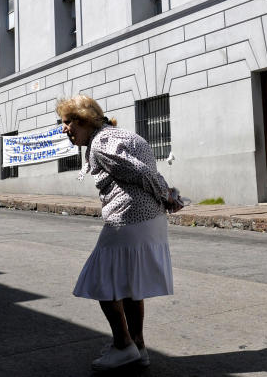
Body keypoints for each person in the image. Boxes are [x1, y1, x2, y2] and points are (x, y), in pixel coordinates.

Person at [56, 94, 183, 372]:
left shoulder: (101, 144)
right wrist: (165, 196)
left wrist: (169, 195)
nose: (64, 129)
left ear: (83, 120)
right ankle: (138, 346)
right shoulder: (118, 134)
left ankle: (123, 345)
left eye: (67, 123)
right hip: (148, 219)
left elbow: (140, 173)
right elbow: (146, 170)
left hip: (127, 219)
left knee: (102, 280)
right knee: (129, 285)